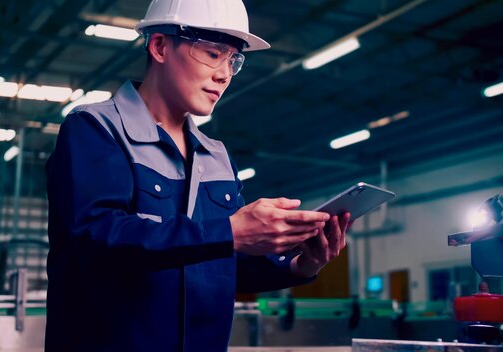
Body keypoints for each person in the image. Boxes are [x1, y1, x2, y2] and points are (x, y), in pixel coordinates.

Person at [44, 0, 350, 351]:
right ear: (160, 46)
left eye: (233, 60)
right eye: (213, 53)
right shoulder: (96, 129)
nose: (225, 74)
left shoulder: (216, 155)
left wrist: (301, 264)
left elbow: (227, 263)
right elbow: (95, 239)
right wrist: (230, 231)